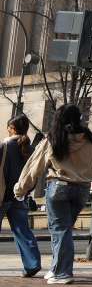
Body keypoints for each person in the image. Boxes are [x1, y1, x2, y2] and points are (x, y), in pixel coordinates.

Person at [14, 104, 92, 285]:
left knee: (60, 230)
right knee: (63, 230)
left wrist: (20, 189)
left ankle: (63, 272)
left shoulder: (53, 139)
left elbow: (34, 167)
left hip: (59, 187)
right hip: (82, 190)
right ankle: (56, 268)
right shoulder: (90, 138)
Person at [1, 114, 40, 278]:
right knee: (22, 231)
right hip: (20, 195)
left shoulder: (5, 145)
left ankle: (32, 265)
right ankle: (32, 265)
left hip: (2, 195)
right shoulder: (31, 149)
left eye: (8, 127)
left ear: (12, 128)